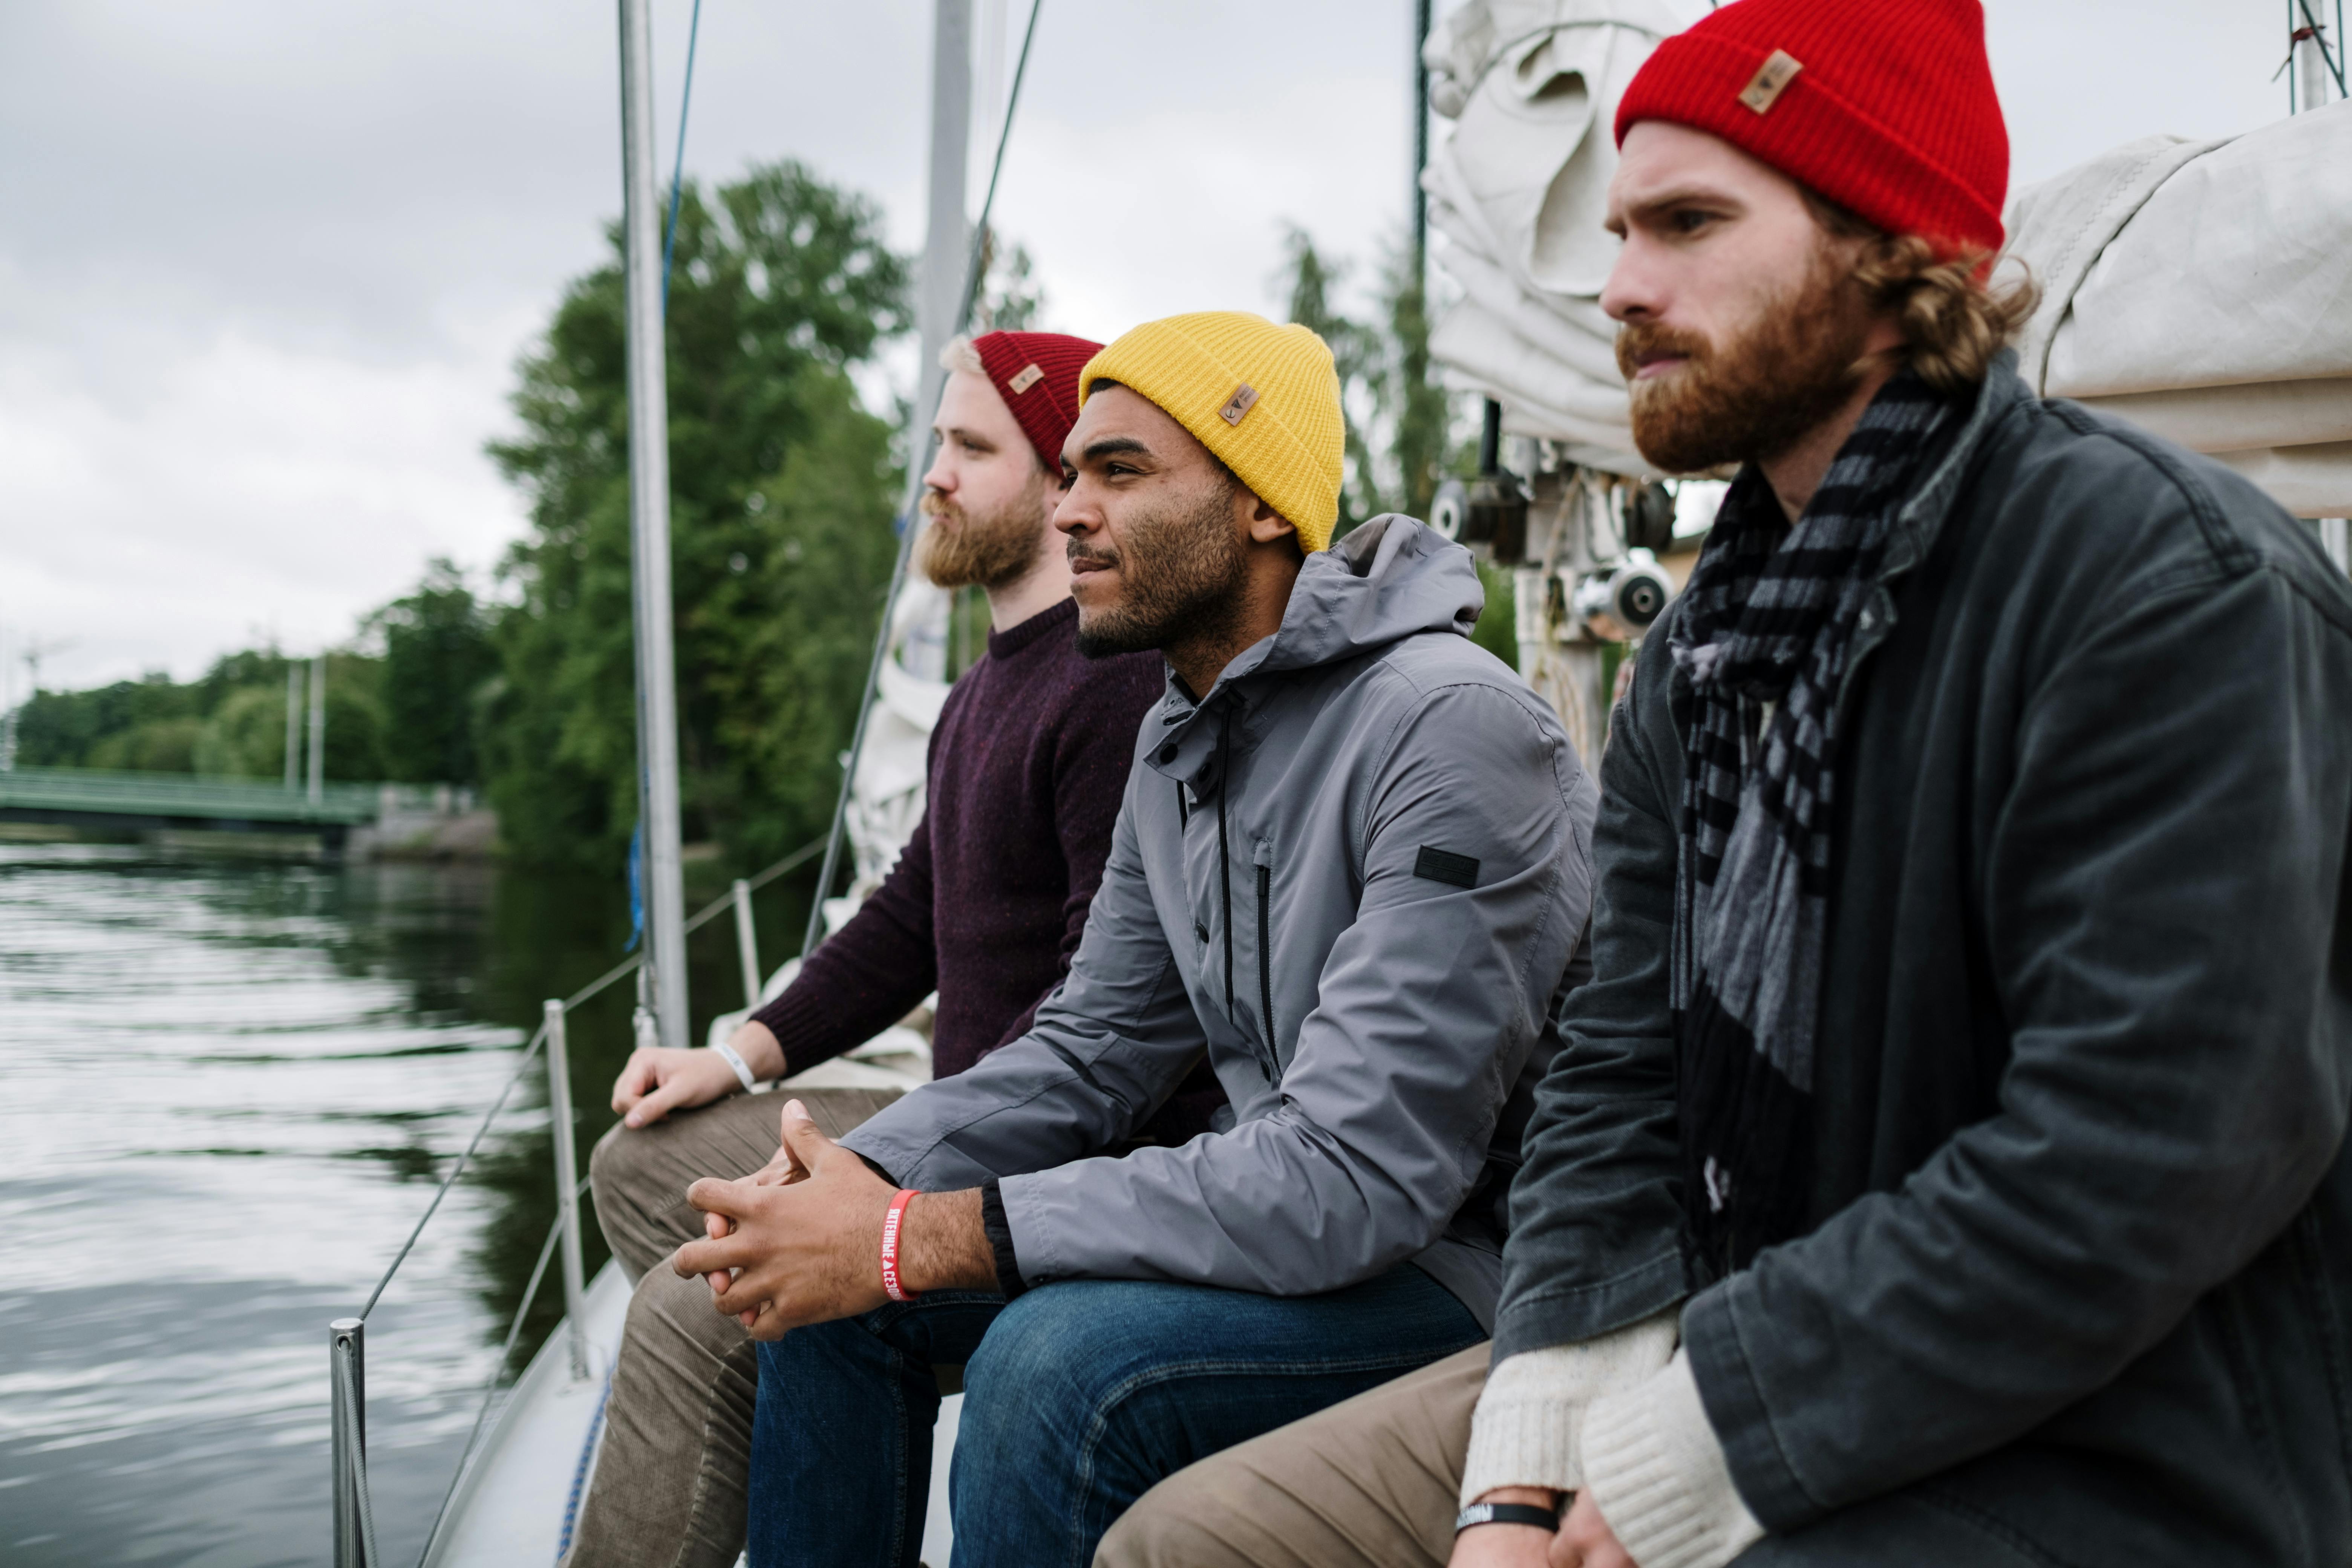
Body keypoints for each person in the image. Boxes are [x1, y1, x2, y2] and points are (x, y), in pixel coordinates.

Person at [1094, 2, 2352, 1566]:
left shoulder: (2161, 583)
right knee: (1194, 1542)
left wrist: (1693, 1455)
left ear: (1896, 253)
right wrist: (1527, 1463)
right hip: (1714, 1312)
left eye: (1689, 224)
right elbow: (1623, 1070)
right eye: (1620, 231)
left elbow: (2150, 1145)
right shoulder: (1704, 649)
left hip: (2111, 1435)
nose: (1623, 287)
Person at [667, 309, 1599, 1568]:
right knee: (839, 1309)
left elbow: (1361, 1175)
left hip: (1471, 1268)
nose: (1067, 516)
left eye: (1119, 473)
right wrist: (854, 1186)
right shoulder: (1181, 739)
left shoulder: (1453, 731)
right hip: (1302, 1229)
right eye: (1067, 477)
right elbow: (1090, 1050)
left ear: (1264, 505)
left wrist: (924, 1234)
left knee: (1053, 1370)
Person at [564, 328, 1205, 1568]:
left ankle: (780, 1380)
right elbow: (911, 914)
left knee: (699, 1305)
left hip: (1046, 1163)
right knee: (640, 1162)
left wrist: (874, 1184)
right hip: (957, 1109)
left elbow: (1101, 1020)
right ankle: (810, 1451)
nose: (938, 476)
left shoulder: (1110, 687)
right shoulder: (988, 686)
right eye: (939, 445)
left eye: (972, 447)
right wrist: (739, 1055)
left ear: (1057, 477)